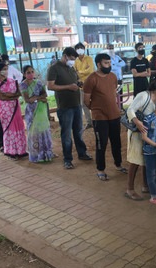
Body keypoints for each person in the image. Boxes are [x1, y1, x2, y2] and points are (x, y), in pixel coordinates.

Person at [83, 53, 128, 181]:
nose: (109, 65)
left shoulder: (113, 77)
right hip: (99, 117)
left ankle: (118, 164)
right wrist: (97, 109)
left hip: (114, 115)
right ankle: (100, 169)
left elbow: (113, 94)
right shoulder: (91, 79)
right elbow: (86, 101)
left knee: (116, 142)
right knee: (101, 144)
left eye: (109, 63)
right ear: (98, 64)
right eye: (106, 63)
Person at [47, 47, 93, 170]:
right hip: (65, 106)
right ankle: (67, 159)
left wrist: (78, 83)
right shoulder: (54, 68)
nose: (73, 61)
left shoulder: (71, 67)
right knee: (66, 134)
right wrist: (68, 87)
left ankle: (82, 153)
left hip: (76, 104)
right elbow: (50, 86)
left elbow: (76, 79)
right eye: (71, 59)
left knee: (78, 131)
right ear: (65, 56)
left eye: (74, 59)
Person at [0, 61, 28, 160]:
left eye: (6, 69)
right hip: (5, 110)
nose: (5, 71)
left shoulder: (13, 81)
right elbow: (0, 97)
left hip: (15, 107)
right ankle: (11, 151)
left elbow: (19, 93)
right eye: (3, 69)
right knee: (9, 128)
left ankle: (21, 150)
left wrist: (7, 95)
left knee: (19, 127)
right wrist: (11, 96)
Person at [19, 65, 55, 163]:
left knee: (44, 130)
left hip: (41, 110)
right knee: (33, 131)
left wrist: (36, 98)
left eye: (32, 72)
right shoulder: (23, 85)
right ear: (24, 74)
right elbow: (28, 100)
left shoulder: (38, 82)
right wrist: (39, 98)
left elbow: (45, 95)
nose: (31, 74)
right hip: (31, 111)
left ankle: (47, 152)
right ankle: (37, 154)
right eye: (28, 72)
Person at [73, 42, 94, 129]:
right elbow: (74, 72)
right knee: (84, 104)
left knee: (94, 102)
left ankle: (97, 119)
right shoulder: (75, 61)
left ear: (84, 49)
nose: (80, 50)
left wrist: (80, 72)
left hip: (91, 84)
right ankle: (89, 122)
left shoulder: (89, 58)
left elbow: (90, 70)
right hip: (81, 85)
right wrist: (81, 73)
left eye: (81, 48)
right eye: (78, 49)